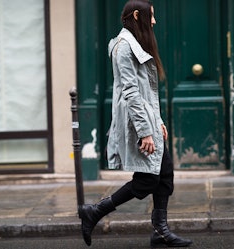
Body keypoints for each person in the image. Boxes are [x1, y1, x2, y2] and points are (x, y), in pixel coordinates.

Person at [78, 0, 193, 247]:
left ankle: (160, 232)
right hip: (138, 125)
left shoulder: (135, 44)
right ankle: (94, 211)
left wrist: (158, 122)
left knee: (164, 175)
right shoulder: (123, 47)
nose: (154, 21)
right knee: (148, 180)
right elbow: (131, 93)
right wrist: (145, 132)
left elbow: (149, 91)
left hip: (149, 122)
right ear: (138, 15)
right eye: (151, 16)